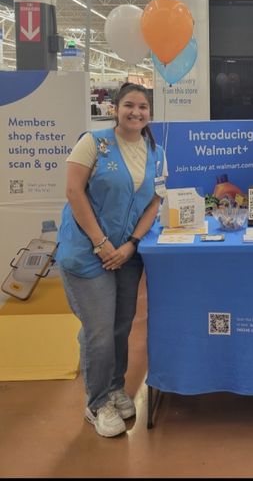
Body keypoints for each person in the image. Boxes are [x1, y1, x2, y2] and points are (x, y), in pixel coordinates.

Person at [56, 82, 166, 438]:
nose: (136, 112)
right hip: (87, 253)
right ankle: (97, 402)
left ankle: (116, 386)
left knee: (121, 326)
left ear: (150, 113)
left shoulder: (157, 152)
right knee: (100, 331)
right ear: (115, 109)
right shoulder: (93, 143)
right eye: (129, 105)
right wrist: (101, 243)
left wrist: (132, 244)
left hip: (127, 255)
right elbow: (74, 191)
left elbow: (154, 203)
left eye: (143, 107)